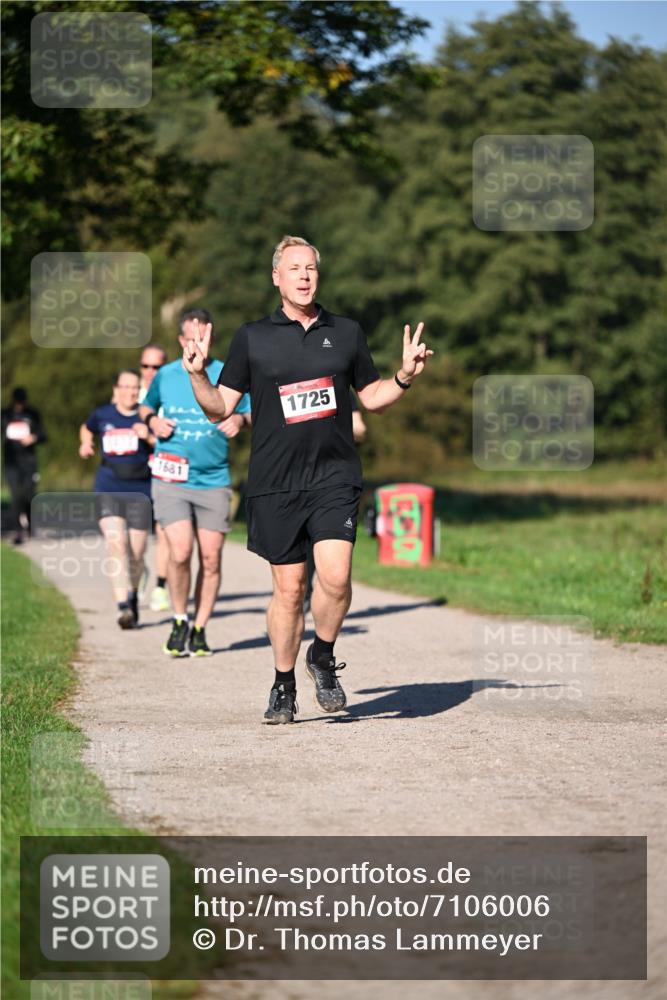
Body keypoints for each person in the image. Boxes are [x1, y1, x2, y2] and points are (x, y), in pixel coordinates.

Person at [183, 235, 432, 723]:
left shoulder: (345, 332)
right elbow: (220, 409)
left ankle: (322, 652)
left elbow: (373, 396)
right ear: (276, 277)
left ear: (319, 275)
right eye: (294, 268)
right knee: (291, 590)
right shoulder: (252, 337)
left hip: (334, 476)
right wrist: (197, 377)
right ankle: (283, 684)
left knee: (336, 578)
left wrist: (403, 376)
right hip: (275, 482)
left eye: (311, 268)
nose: (304, 276)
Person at [140, 308, 251, 658]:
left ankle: (200, 627)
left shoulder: (227, 373)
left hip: (214, 478)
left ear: (212, 338)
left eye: (204, 337)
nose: (197, 343)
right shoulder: (167, 375)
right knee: (181, 551)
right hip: (171, 477)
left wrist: (242, 421)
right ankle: (178, 618)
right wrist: (153, 423)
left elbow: (252, 409)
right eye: (191, 337)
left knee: (211, 558)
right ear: (180, 340)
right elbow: (145, 409)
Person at [80, 370, 152, 629]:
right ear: (117, 388)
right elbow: (86, 429)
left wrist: (149, 436)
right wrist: (85, 444)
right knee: (116, 544)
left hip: (141, 490)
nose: (131, 392)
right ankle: (122, 606)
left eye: (135, 388)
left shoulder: (146, 415)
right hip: (108, 487)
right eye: (126, 387)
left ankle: (133, 595)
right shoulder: (103, 414)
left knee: (137, 552)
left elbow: (162, 442)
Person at [303, 391, 366, 613]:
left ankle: (311, 593)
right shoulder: (287, 381)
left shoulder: (342, 390)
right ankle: (300, 591)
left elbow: (360, 430)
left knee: (319, 542)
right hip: (292, 476)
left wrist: (331, 427)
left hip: (333, 476)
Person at [138, 344, 171, 612]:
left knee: (164, 532)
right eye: (145, 366)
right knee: (132, 538)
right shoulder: (129, 391)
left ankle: (161, 587)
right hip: (133, 476)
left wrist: (150, 435)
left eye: (156, 367)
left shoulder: (170, 392)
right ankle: (139, 572)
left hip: (164, 470)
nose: (150, 372)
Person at [2, 387, 47, 544]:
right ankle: (17, 530)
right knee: (16, 495)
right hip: (11, 462)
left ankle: (29, 523)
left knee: (28, 494)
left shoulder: (33, 415)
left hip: (29, 462)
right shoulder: (5, 415)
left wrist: (33, 437)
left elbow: (43, 435)